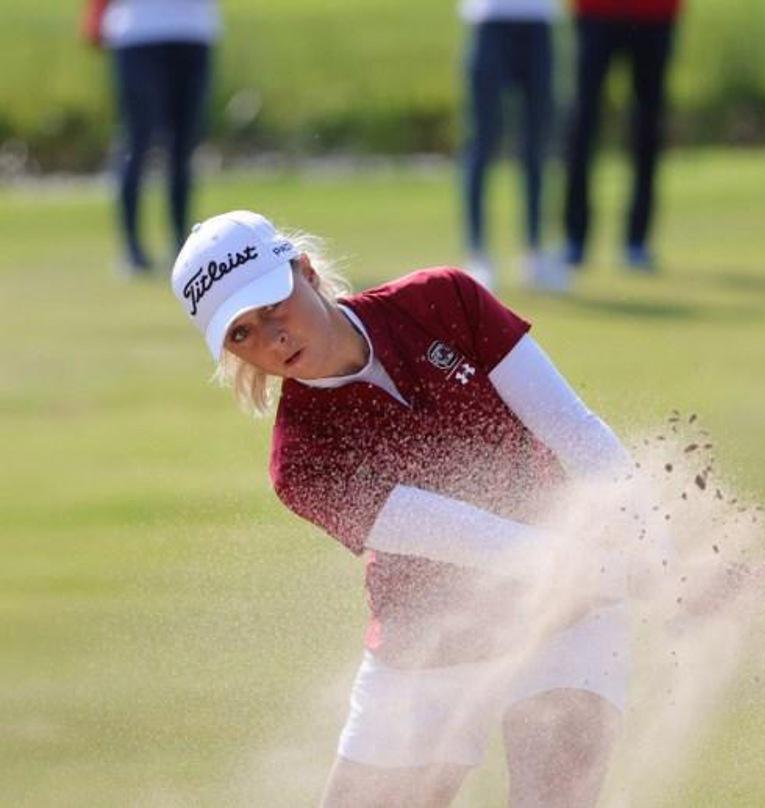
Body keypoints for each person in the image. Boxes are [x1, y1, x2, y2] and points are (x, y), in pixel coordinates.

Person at [169, 210, 659, 807]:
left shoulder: (441, 300)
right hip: (428, 642)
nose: (271, 337)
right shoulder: (302, 461)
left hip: (570, 613)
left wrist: (662, 551)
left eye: (273, 307)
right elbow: (474, 539)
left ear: (303, 271)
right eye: (241, 333)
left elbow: (576, 433)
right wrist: (635, 574)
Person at [82, 0, 219, 276]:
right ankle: (133, 249)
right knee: (137, 142)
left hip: (193, 32)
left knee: (183, 147)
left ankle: (184, 246)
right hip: (139, 33)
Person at [460, 0, 572, 293]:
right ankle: (478, 253)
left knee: (536, 147)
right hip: (490, 21)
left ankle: (535, 252)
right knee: (482, 144)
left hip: (538, 22)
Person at [563, 0, 682, 273]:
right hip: (596, 11)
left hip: (654, 13)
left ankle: (637, 241)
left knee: (647, 128)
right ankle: (575, 238)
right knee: (582, 124)